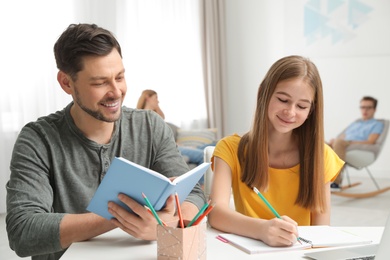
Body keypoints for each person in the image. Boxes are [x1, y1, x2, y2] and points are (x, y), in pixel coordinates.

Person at [6, 23, 206, 260]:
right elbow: (23, 231)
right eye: (100, 83)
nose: (116, 91)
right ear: (66, 83)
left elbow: (193, 193)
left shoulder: (150, 126)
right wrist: (122, 217)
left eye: (120, 77)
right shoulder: (37, 139)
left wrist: (169, 221)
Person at [207, 55, 344, 247]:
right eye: (283, 100)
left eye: (302, 106)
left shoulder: (322, 156)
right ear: (264, 92)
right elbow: (215, 213)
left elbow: (322, 232)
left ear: (311, 110)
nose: (290, 112)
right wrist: (262, 230)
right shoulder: (229, 148)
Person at [136, 89, 210, 166]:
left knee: (209, 148)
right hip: (168, 148)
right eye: (156, 98)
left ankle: (195, 147)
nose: (158, 101)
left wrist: (156, 106)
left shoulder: (155, 116)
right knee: (204, 156)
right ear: (148, 98)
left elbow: (162, 118)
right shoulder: (142, 117)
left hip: (172, 145)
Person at [329, 96, 384, 190]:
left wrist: (348, 142)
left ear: (374, 109)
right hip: (341, 144)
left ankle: (336, 182)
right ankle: (312, 180)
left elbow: (371, 141)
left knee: (338, 143)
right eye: (362, 107)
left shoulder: (377, 124)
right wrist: (334, 141)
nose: (365, 110)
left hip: (355, 146)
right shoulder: (356, 123)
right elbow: (341, 137)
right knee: (319, 143)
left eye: (369, 107)